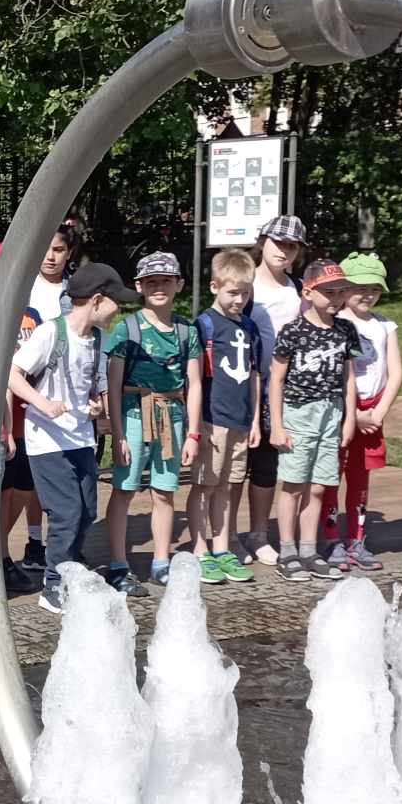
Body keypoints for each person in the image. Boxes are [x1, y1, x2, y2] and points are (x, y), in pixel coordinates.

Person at [9, 265, 136, 613]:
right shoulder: (51, 333)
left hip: (80, 438)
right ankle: (53, 586)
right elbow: (13, 374)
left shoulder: (96, 339)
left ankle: (73, 573)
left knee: (86, 511)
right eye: (116, 303)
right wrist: (42, 403)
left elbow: (90, 386)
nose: (119, 310)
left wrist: (96, 408)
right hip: (47, 441)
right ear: (96, 300)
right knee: (65, 512)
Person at [103, 251, 203, 596]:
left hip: (171, 417)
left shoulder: (186, 331)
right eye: (151, 282)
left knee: (165, 490)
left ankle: (161, 561)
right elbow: (113, 386)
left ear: (178, 284)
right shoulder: (126, 329)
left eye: (165, 280)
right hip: (133, 415)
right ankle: (118, 563)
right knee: (125, 489)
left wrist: (192, 432)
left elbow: (194, 383)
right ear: (139, 286)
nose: (158, 287)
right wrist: (118, 435)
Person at [268, 261, 361, 582]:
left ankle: (309, 550)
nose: (336, 298)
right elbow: (276, 379)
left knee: (319, 486)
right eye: (328, 292)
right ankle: (288, 550)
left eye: (341, 291)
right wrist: (277, 424)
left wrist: (349, 418)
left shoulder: (346, 329)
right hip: (298, 411)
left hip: (331, 412)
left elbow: (349, 378)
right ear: (308, 291)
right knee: (293, 484)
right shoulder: (293, 331)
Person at [4, 222, 80, 586]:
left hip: (66, 395)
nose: (51, 256)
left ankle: (51, 544)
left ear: (69, 254)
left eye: (59, 249)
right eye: (45, 249)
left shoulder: (73, 291)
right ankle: (27, 542)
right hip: (29, 389)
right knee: (29, 477)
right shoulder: (24, 288)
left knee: (56, 475)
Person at [188, 248, 262, 584]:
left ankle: (222, 547)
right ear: (215, 286)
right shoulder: (204, 325)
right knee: (205, 485)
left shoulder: (249, 327)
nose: (240, 299)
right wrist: (197, 423)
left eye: (245, 293)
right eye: (233, 292)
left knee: (229, 487)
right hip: (212, 419)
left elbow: (255, 374)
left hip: (241, 421)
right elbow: (195, 378)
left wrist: (256, 419)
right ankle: (200, 549)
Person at [324, 253, 399, 571]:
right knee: (331, 476)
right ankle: (330, 540)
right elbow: (332, 375)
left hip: (372, 414)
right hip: (343, 413)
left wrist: (378, 413)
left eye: (375, 288)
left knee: (360, 479)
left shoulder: (385, 325)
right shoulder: (337, 324)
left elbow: (395, 373)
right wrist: (353, 415)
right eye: (360, 287)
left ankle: (357, 538)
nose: (368, 294)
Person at [243, 215, 307, 566]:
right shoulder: (246, 284)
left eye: (292, 245)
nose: (284, 251)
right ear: (263, 241)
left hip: (286, 390)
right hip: (246, 385)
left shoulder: (298, 289)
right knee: (237, 467)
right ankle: (223, 536)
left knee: (268, 465)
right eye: (278, 243)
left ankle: (258, 534)